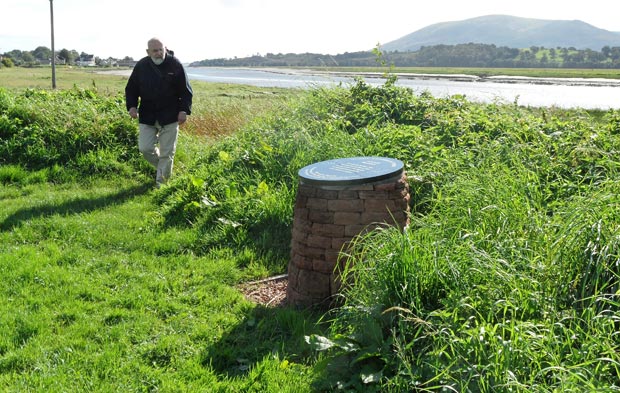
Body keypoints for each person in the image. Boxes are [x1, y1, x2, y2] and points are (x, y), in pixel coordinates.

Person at [125, 37, 193, 188]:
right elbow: (131, 89)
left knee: (167, 153)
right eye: (154, 50)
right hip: (147, 115)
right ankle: (163, 170)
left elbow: (186, 91)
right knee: (145, 148)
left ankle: (161, 185)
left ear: (165, 48)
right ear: (148, 52)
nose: (158, 53)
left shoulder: (176, 65)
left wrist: (184, 110)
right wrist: (132, 106)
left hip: (170, 115)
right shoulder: (141, 66)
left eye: (161, 49)